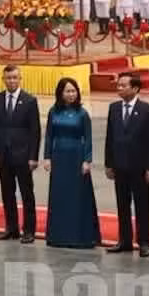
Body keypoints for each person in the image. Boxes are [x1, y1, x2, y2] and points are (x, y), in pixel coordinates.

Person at [104, 69, 149, 256]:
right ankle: (125, 240)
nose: (119, 88)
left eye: (123, 85)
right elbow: (110, 138)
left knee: (142, 205)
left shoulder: (148, 110)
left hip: (140, 168)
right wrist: (108, 163)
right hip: (120, 166)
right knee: (122, 205)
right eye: (118, 85)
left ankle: (144, 242)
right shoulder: (114, 108)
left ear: (135, 88)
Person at [42, 78, 99, 249]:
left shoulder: (82, 113)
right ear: (60, 93)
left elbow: (88, 138)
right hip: (59, 157)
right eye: (67, 91)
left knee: (78, 197)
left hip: (76, 157)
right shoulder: (53, 112)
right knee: (60, 196)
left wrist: (87, 160)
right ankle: (58, 236)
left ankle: (81, 236)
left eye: (73, 91)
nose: (71, 94)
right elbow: (49, 136)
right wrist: (47, 157)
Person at [0, 63, 40, 243]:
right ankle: (11, 229)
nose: (11, 81)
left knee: (27, 194)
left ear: (20, 79)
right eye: (8, 78)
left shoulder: (29, 101)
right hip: (4, 155)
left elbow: (35, 131)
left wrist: (33, 156)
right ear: (3, 79)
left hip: (23, 156)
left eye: (14, 78)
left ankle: (29, 230)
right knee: (7, 193)